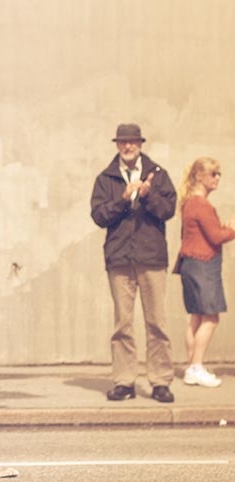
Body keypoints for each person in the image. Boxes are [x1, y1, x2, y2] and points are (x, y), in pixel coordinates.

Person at [90, 123, 177, 403]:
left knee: (156, 323)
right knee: (122, 324)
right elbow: (99, 215)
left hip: (151, 258)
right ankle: (125, 381)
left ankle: (161, 381)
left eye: (133, 142)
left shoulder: (158, 174)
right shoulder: (106, 178)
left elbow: (168, 210)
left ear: (140, 143)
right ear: (117, 144)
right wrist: (123, 199)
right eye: (123, 142)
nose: (128, 146)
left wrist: (149, 195)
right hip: (119, 258)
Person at [174, 157, 234, 387]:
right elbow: (216, 236)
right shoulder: (201, 204)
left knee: (197, 317)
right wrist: (231, 229)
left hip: (191, 264)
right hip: (203, 265)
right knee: (211, 316)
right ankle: (196, 367)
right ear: (200, 176)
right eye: (213, 174)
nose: (217, 178)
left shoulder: (190, 202)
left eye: (219, 174)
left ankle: (192, 366)